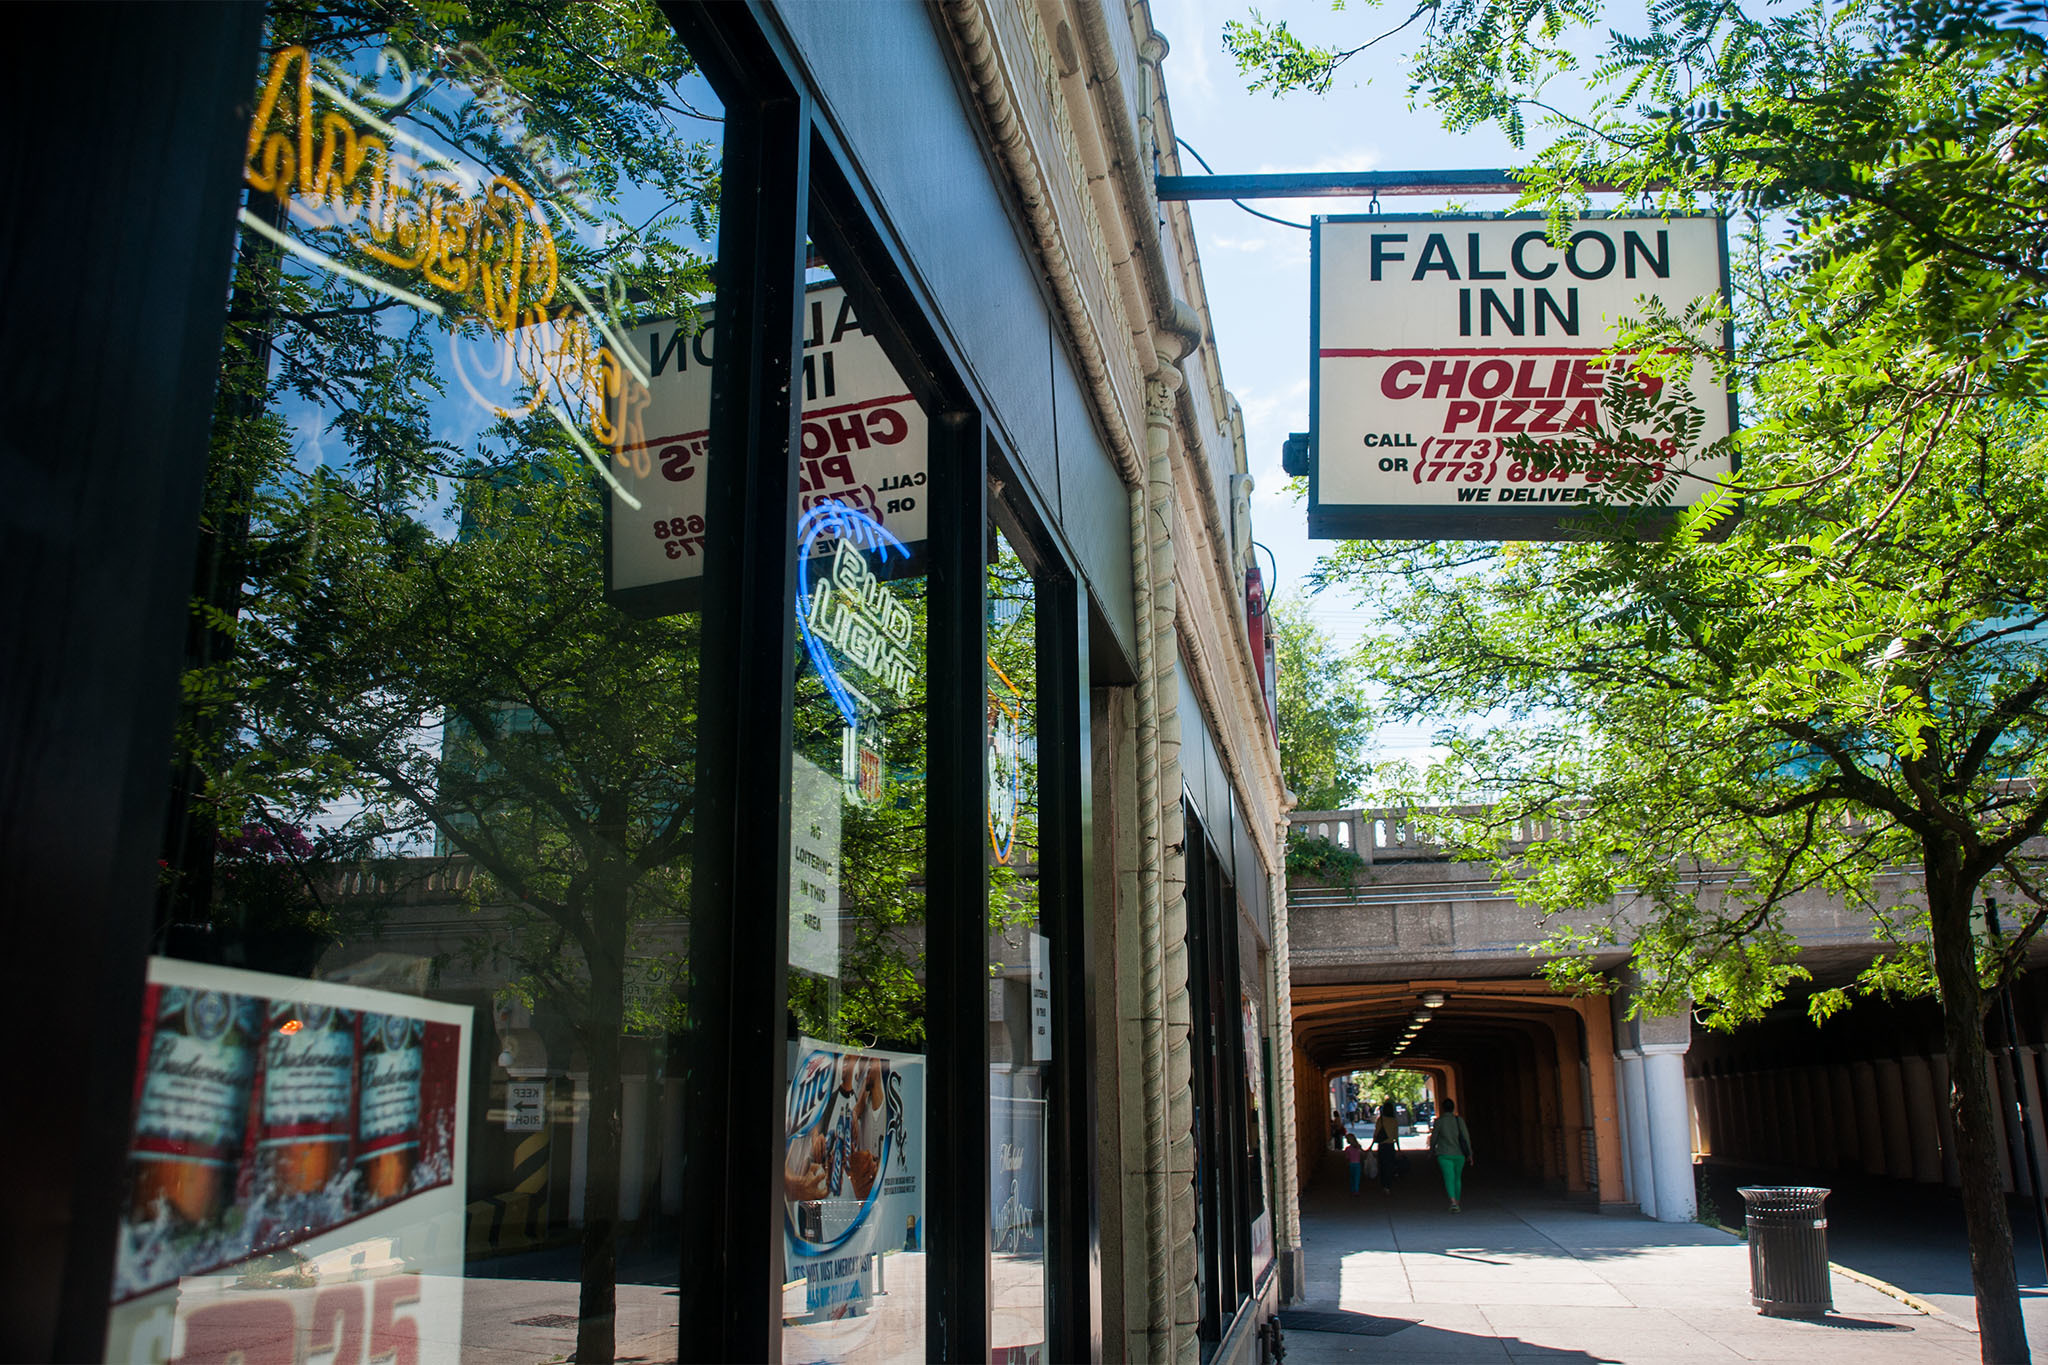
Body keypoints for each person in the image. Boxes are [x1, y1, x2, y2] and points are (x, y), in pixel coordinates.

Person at [1431, 1096, 1475, 1212]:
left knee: (1448, 1178)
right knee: (1457, 1178)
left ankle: (1453, 1202)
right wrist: (1469, 1153)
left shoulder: (1439, 1121)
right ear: (1453, 1108)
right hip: (1459, 1154)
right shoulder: (1459, 1120)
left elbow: (1434, 1137)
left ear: (1443, 1108)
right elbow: (1466, 1137)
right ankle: (1457, 1202)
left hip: (1444, 1154)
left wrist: (1431, 1149)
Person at [1371, 1101, 1400, 1194]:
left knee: (1383, 1165)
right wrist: (1399, 1149)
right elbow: (1396, 1136)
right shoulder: (1394, 1121)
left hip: (1382, 1146)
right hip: (1390, 1146)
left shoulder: (1381, 1120)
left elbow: (1376, 1133)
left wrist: (1371, 1146)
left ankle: (1384, 1184)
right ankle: (1389, 1184)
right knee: (1390, 1165)